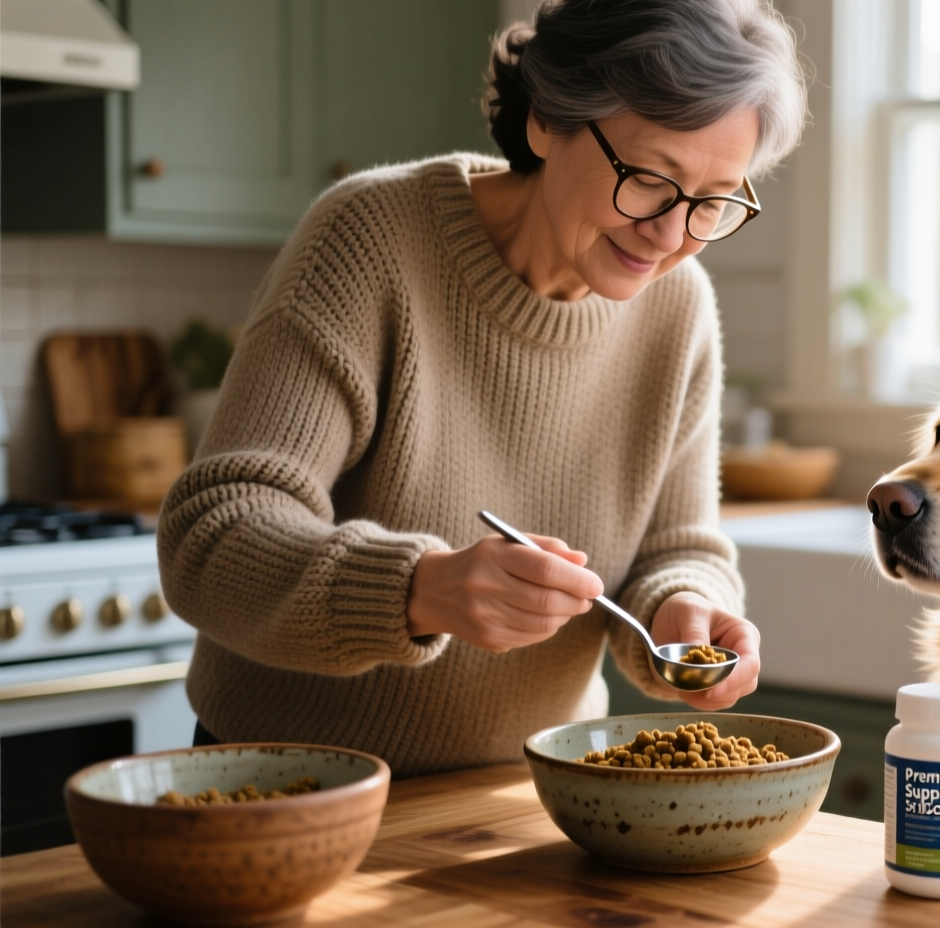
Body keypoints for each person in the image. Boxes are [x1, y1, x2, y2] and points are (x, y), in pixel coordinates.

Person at [156, 0, 807, 776]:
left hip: (530, 791)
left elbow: (677, 548)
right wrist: (419, 589)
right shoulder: (370, 239)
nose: (670, 234)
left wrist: (682, 608)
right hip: (288, 780)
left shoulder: (679, 306)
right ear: (547, 119)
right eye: (647, 179)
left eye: (714, 200)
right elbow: (211, 537)